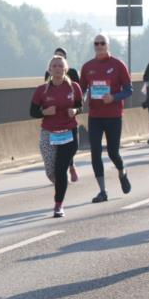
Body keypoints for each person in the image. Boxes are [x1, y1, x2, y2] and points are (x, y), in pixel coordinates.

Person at [80, 34, 133, 203]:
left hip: (113, 116)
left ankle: (122, 170)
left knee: (112, 152)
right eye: (96, 43)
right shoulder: (87, 67)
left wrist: (114, 97)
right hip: (95, 116)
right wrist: (77, 100)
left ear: (108, 45)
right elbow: (81, 89)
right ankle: (102, 191)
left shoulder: (118, 65)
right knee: (95, 153)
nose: (99, 46)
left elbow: (129, 90)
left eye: (102, 43)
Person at [32, 55, 84, 217]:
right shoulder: (42, 90)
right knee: (51, 172)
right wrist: (44, 112)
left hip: (69, 133)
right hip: (49, 133)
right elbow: (32, 112)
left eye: (60, 66)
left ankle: (58, 205)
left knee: (61, 170)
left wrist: (74, 111)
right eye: (54, 66)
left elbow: (79, 105)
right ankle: (61, 184)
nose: (57, 68)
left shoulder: (74, 87)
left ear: (65, 69)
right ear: (49, 69)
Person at [43, 47, 80, 183]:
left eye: (61, 59)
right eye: (55, 59)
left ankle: (70, 166)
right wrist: (46, 111)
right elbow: (45, 93)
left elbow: (79, 93)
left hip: (68, 115)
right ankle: (63, 171)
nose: (57, 65)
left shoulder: (73, 73)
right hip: (54, 117)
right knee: (58, 145)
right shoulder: (49, 74)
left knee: (69, 144)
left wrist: (75, 109)